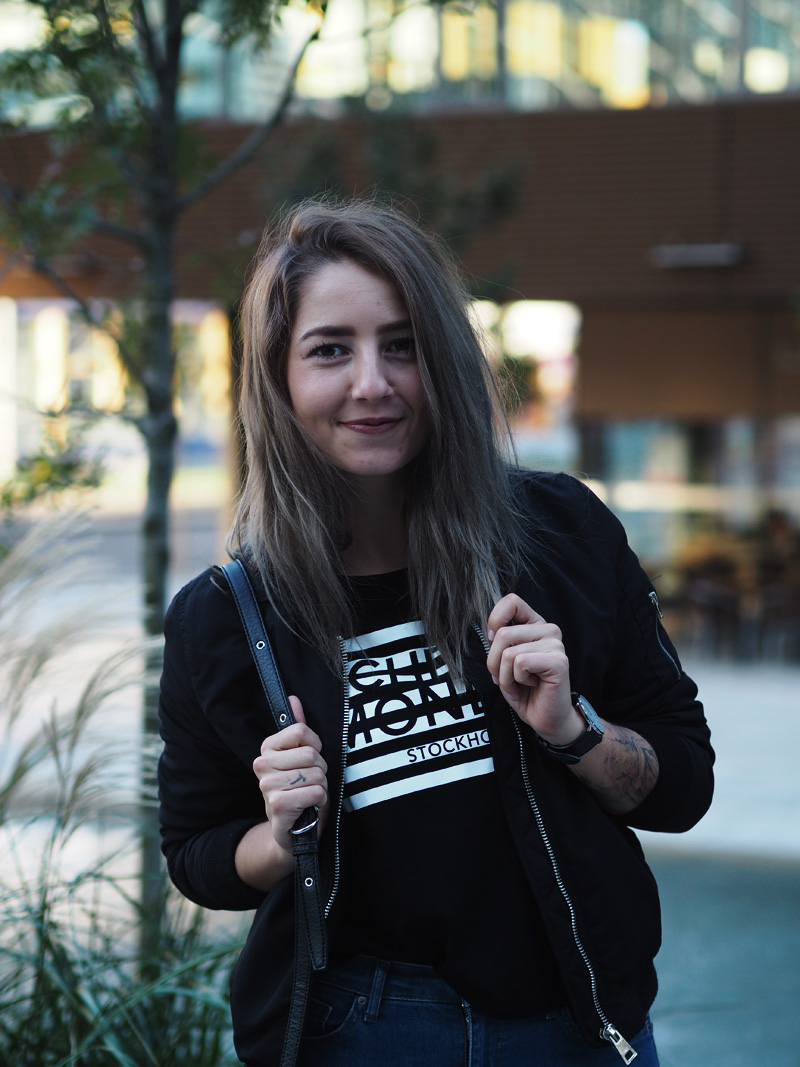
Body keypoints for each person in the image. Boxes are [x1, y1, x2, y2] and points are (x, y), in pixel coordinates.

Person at [157, 199, 714, 1067]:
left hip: (571, 1022)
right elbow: (196, 856)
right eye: (330, 349)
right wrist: (279, 833)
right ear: (277, 377)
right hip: (364, 1026)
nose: (372, 382)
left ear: (444, 359)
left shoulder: (561, 533)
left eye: (403, 344)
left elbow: (684, 783)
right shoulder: (227, 616)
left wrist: (575, 730)